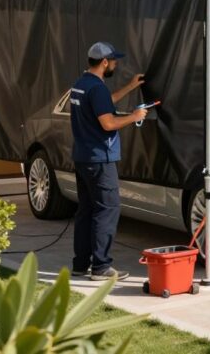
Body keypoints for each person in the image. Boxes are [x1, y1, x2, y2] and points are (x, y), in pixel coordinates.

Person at [70, 42, 148, 281]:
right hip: (100, 159)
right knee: (107, 211)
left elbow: (104, 103)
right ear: (104, 63)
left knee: (86, 211)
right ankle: (102, 267)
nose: (115, 64)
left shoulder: (81, 85)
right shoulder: (96, 88)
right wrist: (134, 116)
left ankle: (81, 264)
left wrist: (130, 87)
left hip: (83, 158)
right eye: (113, 61)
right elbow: (108, 123)